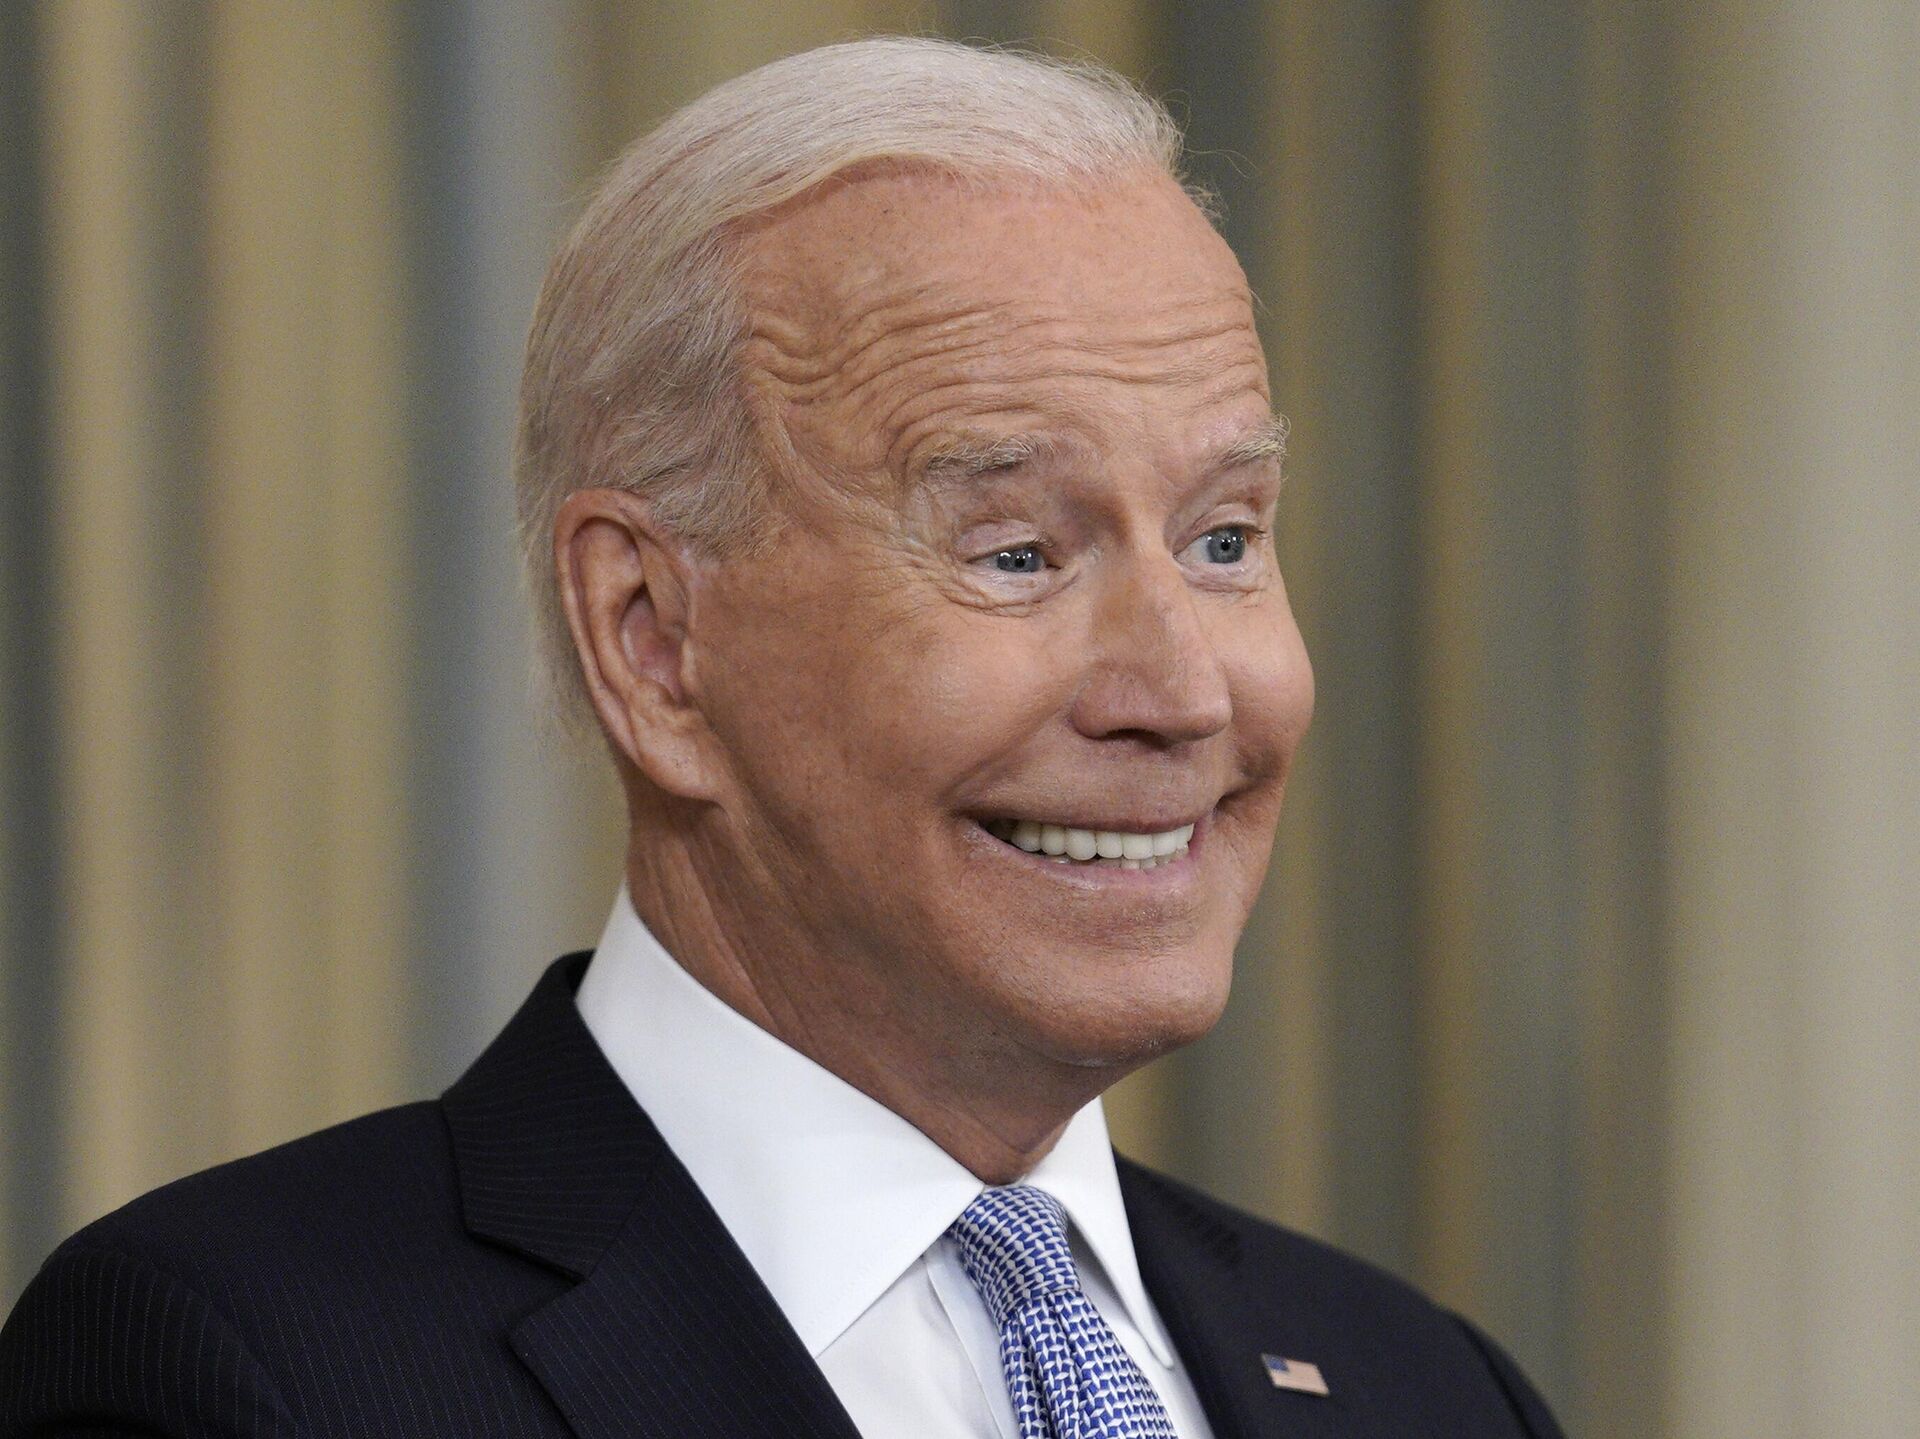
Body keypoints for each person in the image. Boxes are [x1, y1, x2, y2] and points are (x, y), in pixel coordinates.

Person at [0, 38, 1562, 1439]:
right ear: (653, 641)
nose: (1183, 691)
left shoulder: (1426, 1389)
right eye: (1018, 553)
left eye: (1224, 540)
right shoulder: (247, 1375)